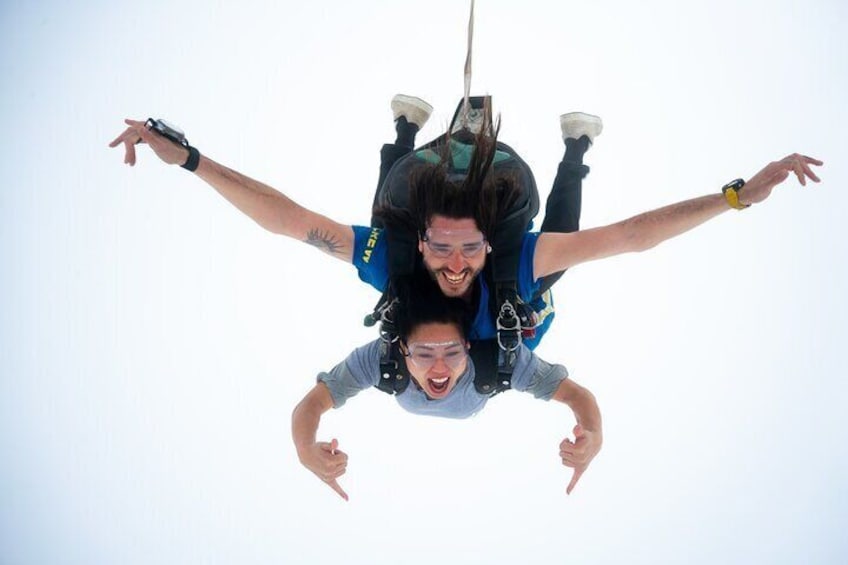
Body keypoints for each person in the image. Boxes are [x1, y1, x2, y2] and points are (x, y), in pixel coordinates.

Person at [109, 97, 823, 349]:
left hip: (454, 213)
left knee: (381, 223)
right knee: (559, 258)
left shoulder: (392, 261)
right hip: (516, 263)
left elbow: (291, 223)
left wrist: (191, 159)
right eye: (445, 248)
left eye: (463, 250)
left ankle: (405, 130)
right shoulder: (509, 268)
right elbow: (630, 238)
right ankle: (575, 144)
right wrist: (735, 197)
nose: (453, 262)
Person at [290, 275, 603, 501]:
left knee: (529, 306)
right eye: (424, 353)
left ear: (467, 346)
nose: (439, 368)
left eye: (452, 353)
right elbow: (313, 403)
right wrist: (304, 449)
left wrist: (594, 433)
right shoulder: (380, 359)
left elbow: (577, 396)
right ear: (402, 348)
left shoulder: (506, 359)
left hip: (485, 311)